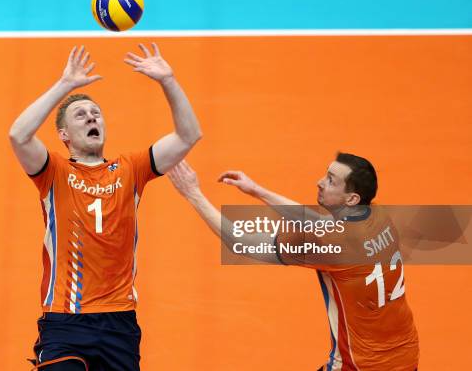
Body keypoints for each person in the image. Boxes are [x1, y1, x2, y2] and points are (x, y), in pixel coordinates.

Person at [9, 43, 202, 371]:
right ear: (64, 135)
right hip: (65, 320)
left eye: (95, 113)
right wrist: (65, 86)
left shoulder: (131, 168)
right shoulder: (53, 172)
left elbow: (188, 135)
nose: (91, 117)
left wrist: (168, 80)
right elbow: (18, 135)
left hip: (119, 322)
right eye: (80, 115)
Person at [167, 155, 419, 371]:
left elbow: (239, 241)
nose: (319, 182)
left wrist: (193, 194)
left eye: (331, 180)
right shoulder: (379, 216)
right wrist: (258, 191)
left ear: (352, 199)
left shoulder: (330, 246)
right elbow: (318, 225)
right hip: (405, 356)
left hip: (358, 364)